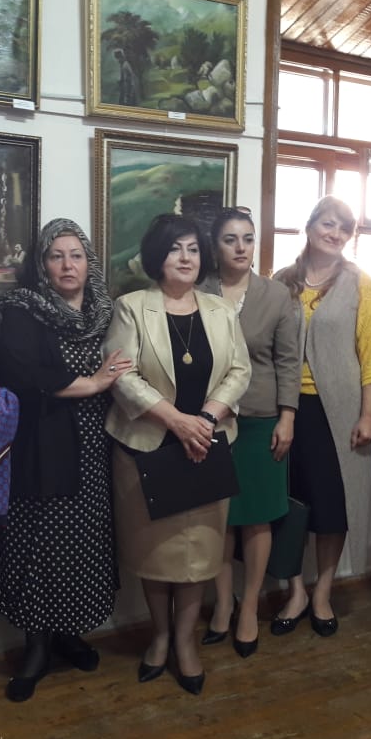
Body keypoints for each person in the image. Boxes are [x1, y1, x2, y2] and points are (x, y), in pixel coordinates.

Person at [0, 218, 130, 701]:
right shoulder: (23, 309)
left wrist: (106, 384)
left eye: (76, 255)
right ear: (42, 264)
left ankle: (68, 634)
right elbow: (24, 373)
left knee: (85, 543)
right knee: (39, 544)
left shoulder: (105, 312)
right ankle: (36, 646)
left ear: (90, 264)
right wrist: (94, 383)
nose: (67, 265)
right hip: (42, 446)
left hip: (96, 446)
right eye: (56, 255)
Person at [104, 214, 250, 695]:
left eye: (192, 249)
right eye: (174, 249)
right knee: (156, 554)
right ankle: (161, 637)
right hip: (148, 448)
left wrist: (204, 419)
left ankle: (185, 641)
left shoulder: (220, 310)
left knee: (198, 556)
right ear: (157, 257)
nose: (185, 258)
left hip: (206, 447)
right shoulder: (131, 307)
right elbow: (122, 375)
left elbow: (239, 370)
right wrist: (176, 420)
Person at [270, 196, 371, 637]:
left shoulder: (360, 284)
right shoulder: (281, 281)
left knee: (332, 506)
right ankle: (295, 591)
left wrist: (369, 414)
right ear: (310, 225)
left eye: (343, 228)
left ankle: (322, 592)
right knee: (289, 504)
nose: (335, 234)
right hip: (284, 409)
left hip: (338, 411)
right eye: (328, 224)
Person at [198, 207, 300, 657]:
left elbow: (288, 362)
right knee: (219, 517)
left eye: (248, 238)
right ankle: (223, 604)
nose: (241, 248)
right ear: (215, 246)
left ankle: (250, 606)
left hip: (261, 420)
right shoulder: (197, 290)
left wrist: (287, 417)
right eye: (230, 239)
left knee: (257, 516)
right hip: (211, 421)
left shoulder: (275, 295)